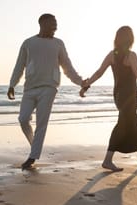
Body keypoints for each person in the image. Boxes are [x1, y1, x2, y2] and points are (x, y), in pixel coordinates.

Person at [8, 13, 87, 170]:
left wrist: (80, 82)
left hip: (49, 87)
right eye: (52, 23)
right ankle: (34, 146)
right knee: (23, 119)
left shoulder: (58, 44)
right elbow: (19, 65)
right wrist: (12, 84)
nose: (55, 27)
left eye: (56, 24)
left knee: (41, 123)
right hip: (30, 88)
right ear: (42, 23)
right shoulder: (28, 43)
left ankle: (33, 157)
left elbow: (67, 67)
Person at [80, 26, 137, 171]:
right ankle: (107, 160)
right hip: (129, 96)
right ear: (130, 39)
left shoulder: (112, 54)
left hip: (118, 95)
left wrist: (87, 85)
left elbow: (99, 73)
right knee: (123, 125)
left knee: (133, 123)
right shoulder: (131, 56)